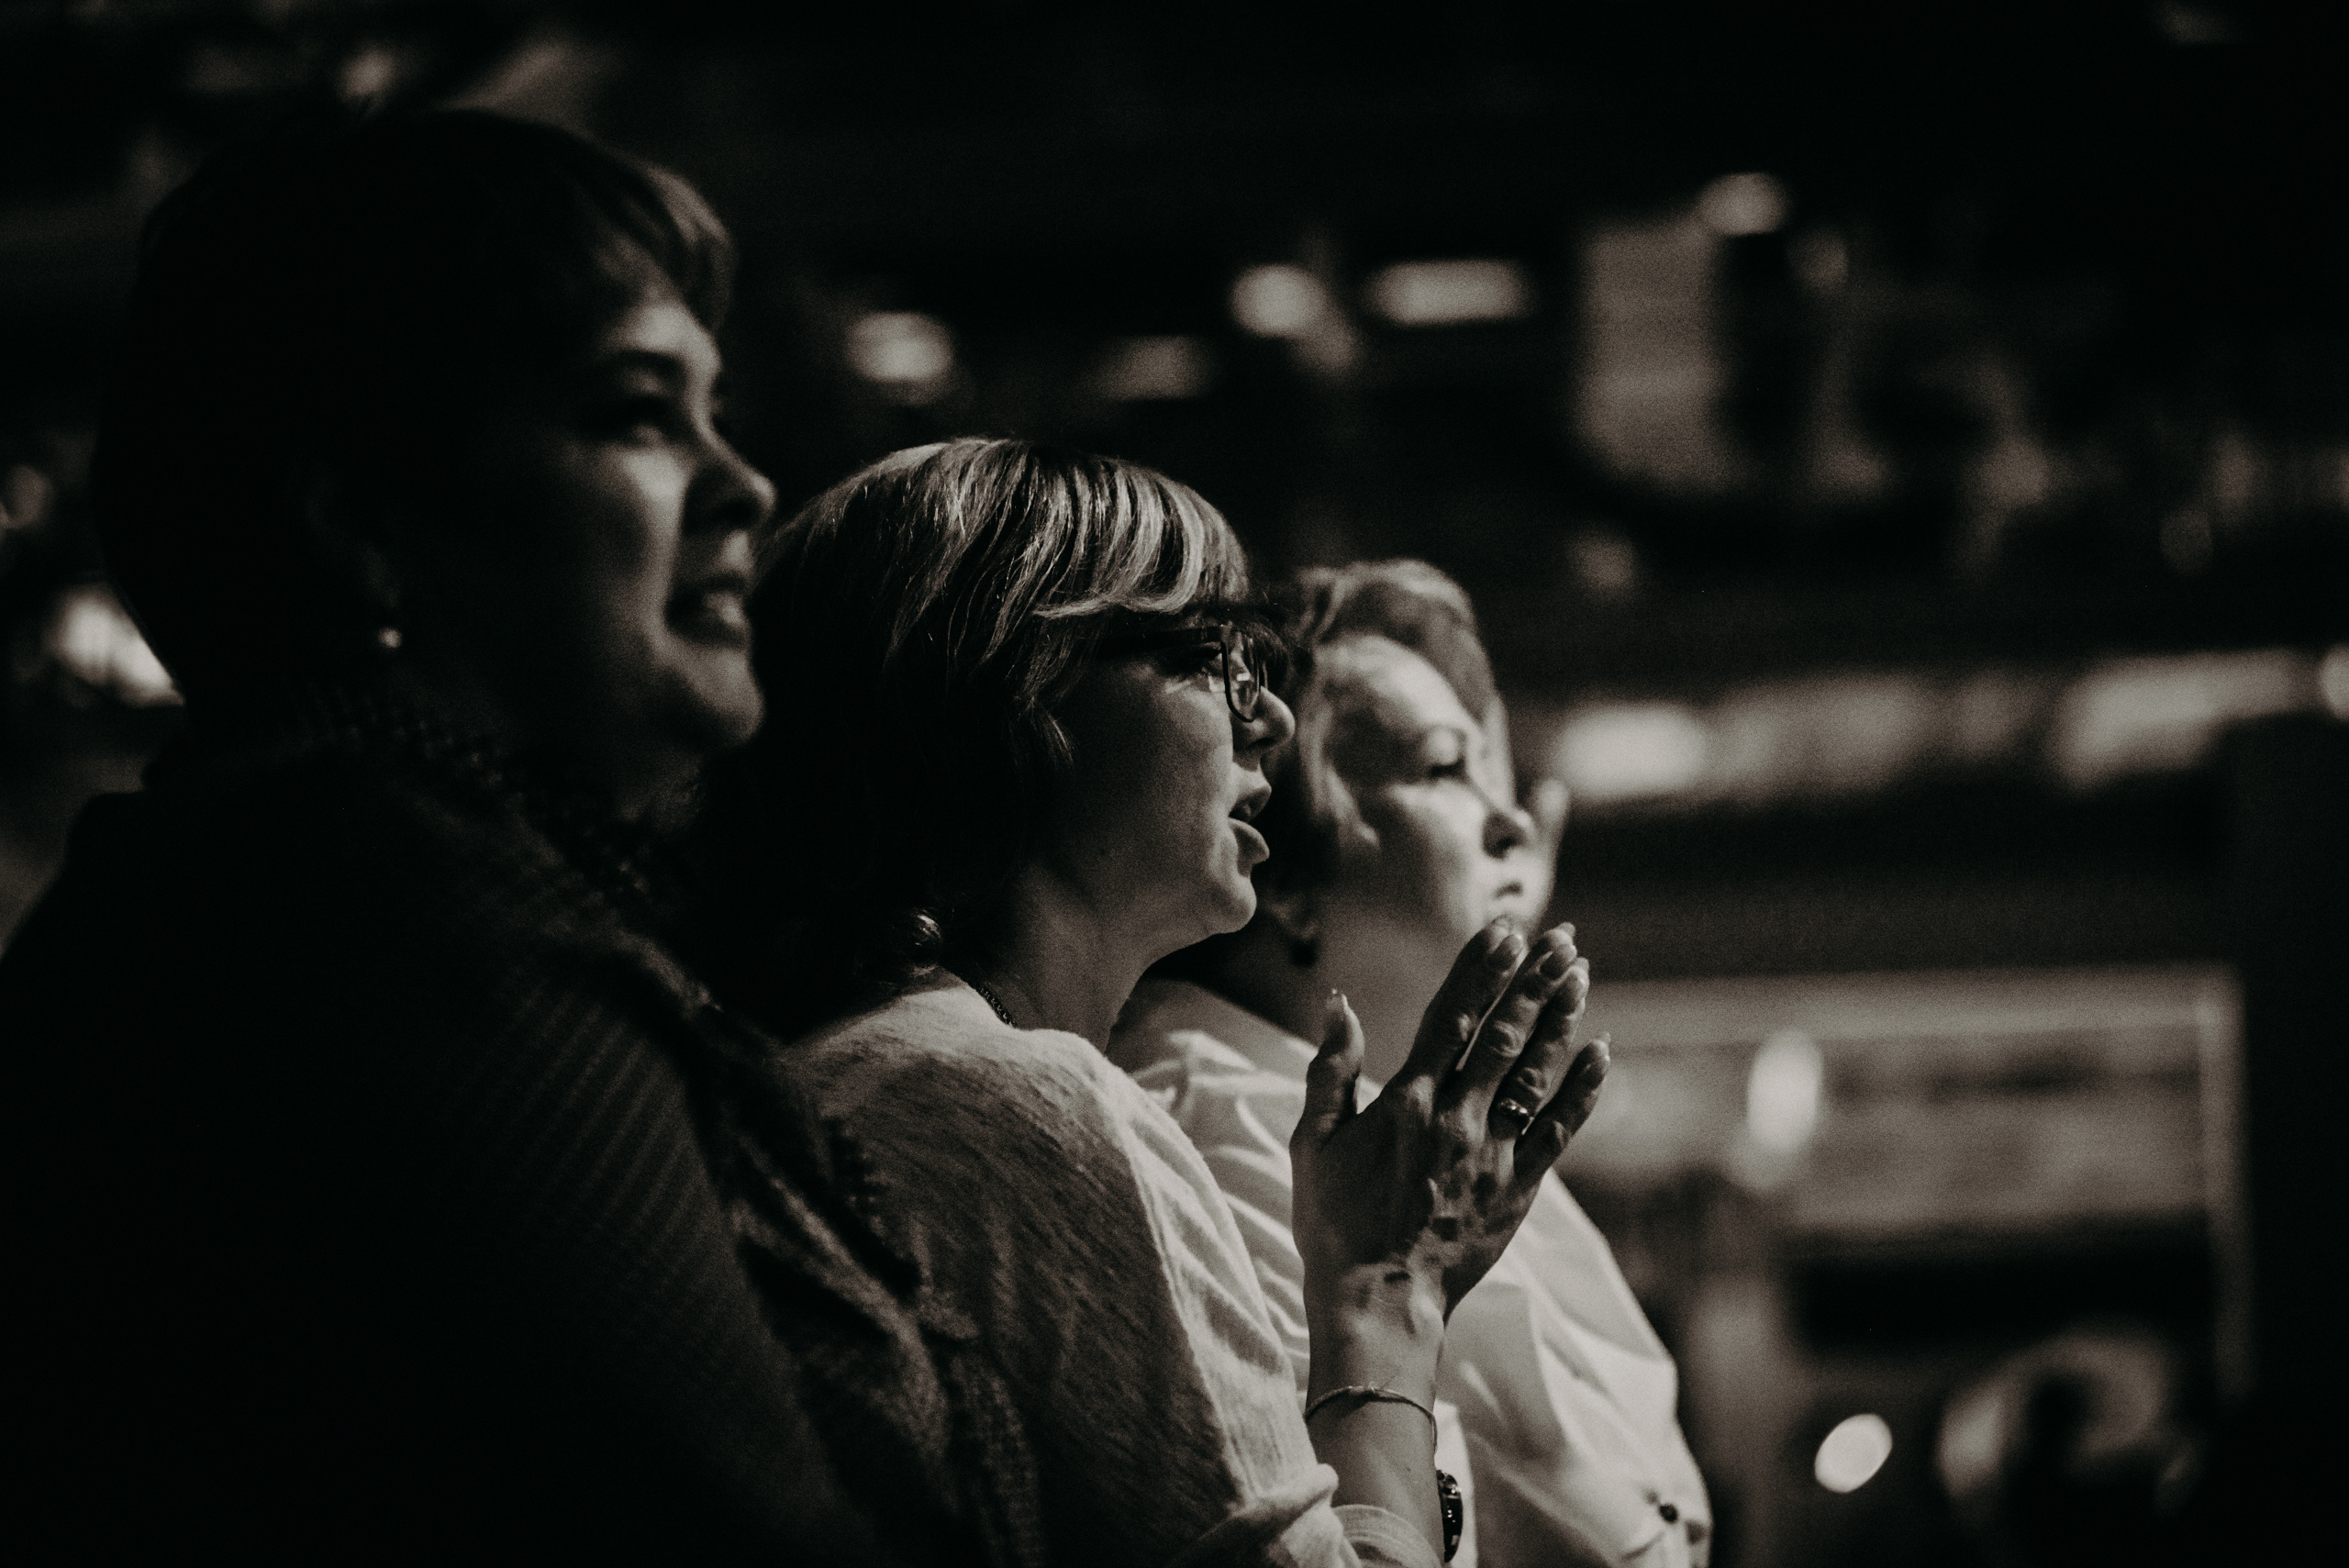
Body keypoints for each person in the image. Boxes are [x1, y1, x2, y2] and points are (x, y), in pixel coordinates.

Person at [0, 109, 990, 1562]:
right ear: (360, 520)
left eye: (713, 411)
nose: (745, 483)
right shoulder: (391, 913)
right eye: (637, 413)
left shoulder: (286, 858)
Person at [688, 439, 1611, 1567]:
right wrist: (1384, 1294)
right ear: (1013, 687)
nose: (1269, 719)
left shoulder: (857, 1070)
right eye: (1213, 655)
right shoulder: (1008, 1102)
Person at [1109, 561, 1712, 1568]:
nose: (1514, 822)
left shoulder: (1418, 1138)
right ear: (1283, 872)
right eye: (1442, 768)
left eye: (1498, 779)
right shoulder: (1210, 1137)